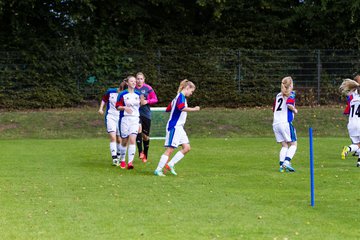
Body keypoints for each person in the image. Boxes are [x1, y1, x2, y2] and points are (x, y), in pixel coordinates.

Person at [154, 79, 200, 176]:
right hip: (175, 127)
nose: (191, 93)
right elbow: (182, 108)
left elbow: (168, 109)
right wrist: (194, 109)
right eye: (191, 91)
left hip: (179, 127)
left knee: (187, 147)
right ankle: (158, 170)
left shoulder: (178, 98)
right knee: (170, 149)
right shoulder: (181, 97)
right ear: (187, 88)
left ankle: (170, 164)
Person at [272, 76, 298, 172]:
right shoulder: (291, 94)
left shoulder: (278, 95)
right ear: (290, 85)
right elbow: (289, 104)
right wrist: (294, 110)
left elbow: (274, 109)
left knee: (284, 145)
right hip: (285, 123)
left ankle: (281, 166)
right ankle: (287, 162)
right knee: (294, 144)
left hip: (276, 124)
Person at [98, 80, 127, 166]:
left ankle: (118, 155)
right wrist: (101, 108)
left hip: (121, 118)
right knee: (113, 137)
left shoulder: (126, 95)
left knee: (119, 139)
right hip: (110, 116)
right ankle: (114, 158)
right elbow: (104, 99)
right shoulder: (111, 91)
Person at [115, 75, 141, 169]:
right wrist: (125, 107)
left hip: (135, 119)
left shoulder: (138, 94)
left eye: (135, 81)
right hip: (125, 119)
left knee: (132, 139)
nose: (134, 82)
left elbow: (141, 106)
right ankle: (122, 160)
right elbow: (117, 107)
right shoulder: (122, 94)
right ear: (127, 83)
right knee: (124, 141)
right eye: (132, 81)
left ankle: (130, 162)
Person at [135, 72, 158, 163]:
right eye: (138, 79)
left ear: (144, 80)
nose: (139, 80)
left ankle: (145, 154)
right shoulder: (133, 88)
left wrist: (147, 101)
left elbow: (155, 99)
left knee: (145, 136)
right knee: (138, 130)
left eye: (141, 79)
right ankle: (140, 151)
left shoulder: (148, 88)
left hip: (146, 114)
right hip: (136, 114)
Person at [340, 78, 360, 166]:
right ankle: (348, 148)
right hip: (359, 123)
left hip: (351, 125)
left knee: (357, 144)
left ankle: (358, 161)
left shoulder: (353, 99)